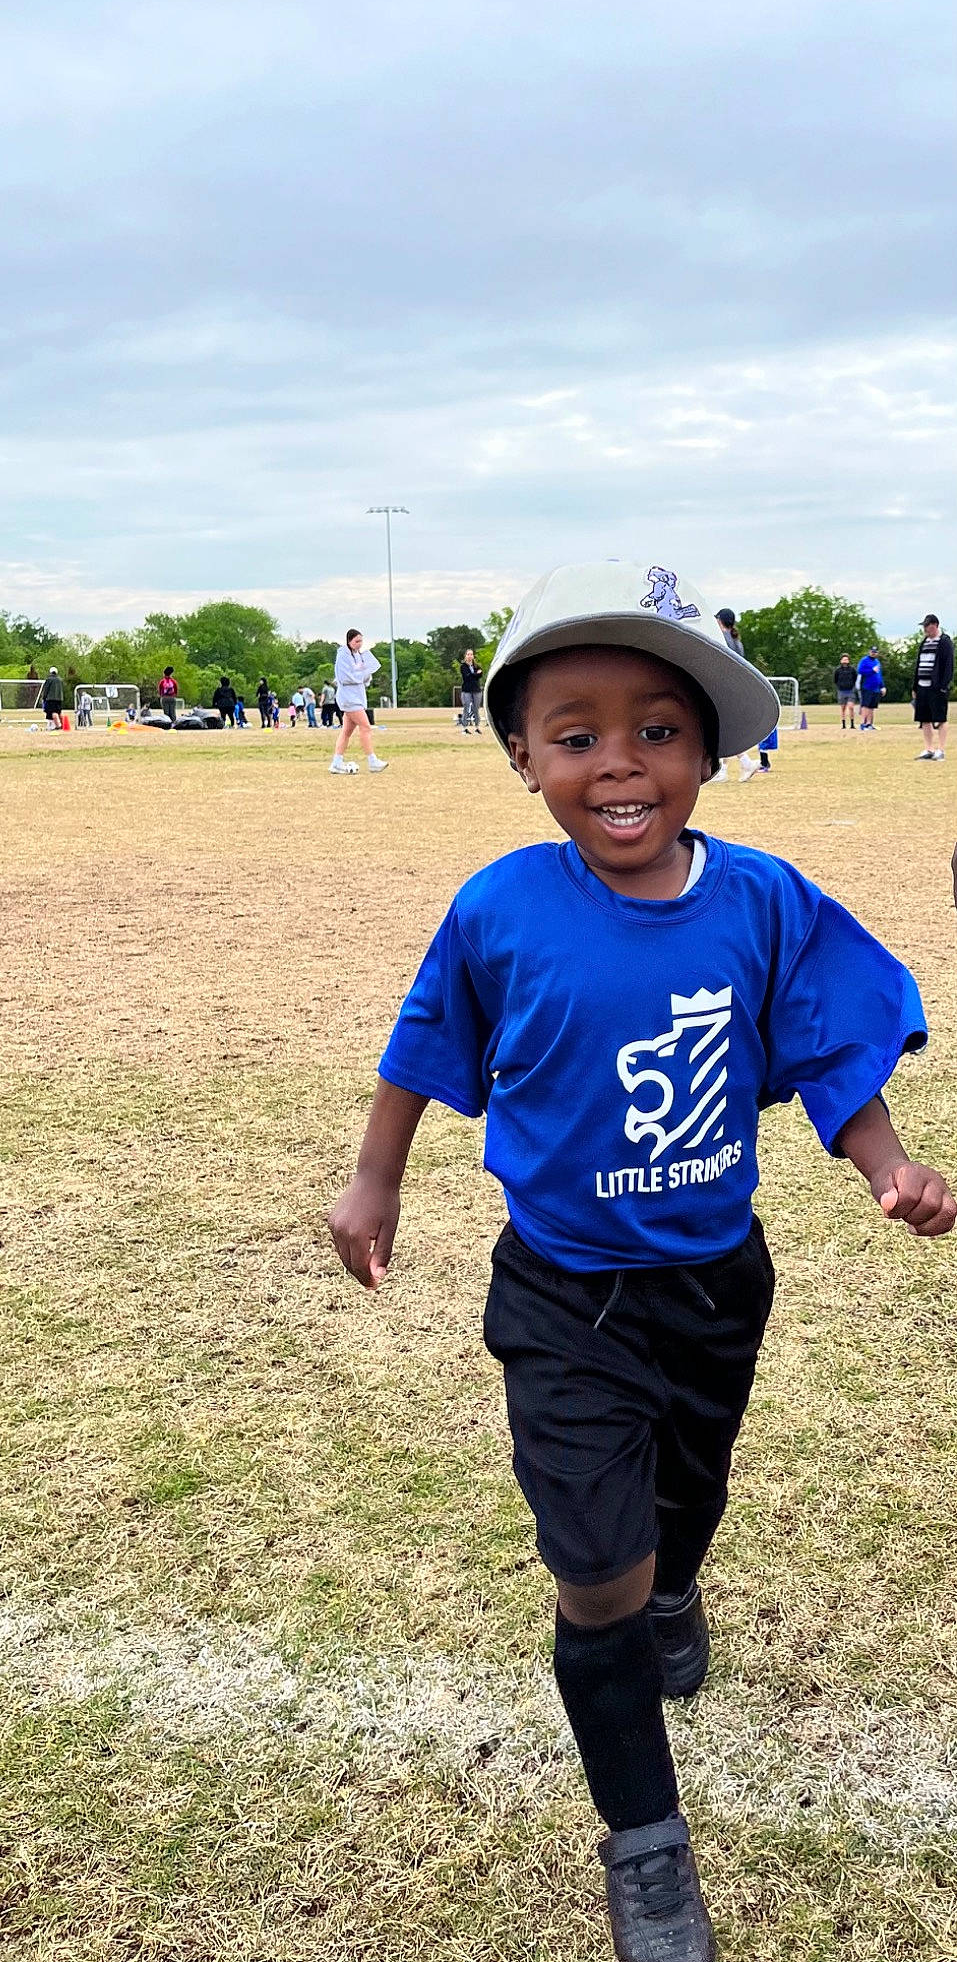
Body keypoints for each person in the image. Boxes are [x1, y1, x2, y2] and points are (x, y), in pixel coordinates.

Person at [328, 561, 955, 1962]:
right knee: (596, 1564)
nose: (619, 762)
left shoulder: (762, 901)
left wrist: (887, 1164)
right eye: (576, 732)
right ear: (522, 756)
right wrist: (375, 1177)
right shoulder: (498, 909)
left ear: (708, 751)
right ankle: (646, 1842)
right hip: (560, 1293)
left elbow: (824, 1050)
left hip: (715, 1280)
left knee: (690, 1497)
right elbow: (422, 1048)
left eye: (657, 729)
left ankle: (678, 1589)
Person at [330, 629, 388, 775]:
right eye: (356, 641)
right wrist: (362, 674)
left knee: (346, 732)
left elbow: (364, 677)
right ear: (349, 641)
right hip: (349, 698)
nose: (359, 644)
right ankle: (372, 760)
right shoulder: (343, 655)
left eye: (361, 641)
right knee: (365, 727)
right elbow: (345, 677)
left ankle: (336, 762)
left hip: (358, 697)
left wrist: (366, 673)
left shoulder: (359, 656)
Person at [711, 610, 758, 780]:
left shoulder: (720, 636)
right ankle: (739, 764)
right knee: (724, 728)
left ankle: (726, 769)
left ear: (720, 620)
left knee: (720, 728)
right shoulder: (737, 640)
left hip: (722, 687)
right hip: (734, 687)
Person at [912, 612, 953, 762]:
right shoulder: (924, 642)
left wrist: (943, 686)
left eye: (926, 626)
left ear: (935, 625)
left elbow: (948, 666)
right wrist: (915, 686)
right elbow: (918, 665)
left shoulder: (944, 642)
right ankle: (929, 749)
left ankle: (940, 750)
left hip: (937, 688)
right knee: (925, 719)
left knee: (940, 718)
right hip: (922, 687)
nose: (924, 630)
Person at [856, 646, 885, 730]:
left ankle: (869, 724)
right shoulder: (864, 660)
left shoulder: (877, 661)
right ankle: (863, 724)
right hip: (867, 686)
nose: (874, 653)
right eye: (872, 651)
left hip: (876, 688)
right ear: (869, 652)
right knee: (865, 705)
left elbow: (879, 675)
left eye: (875, 652)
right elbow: (860, 671)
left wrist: (882, 686)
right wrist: (872, 670)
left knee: (872, 706)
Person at [460, 649, 484, 733]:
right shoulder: (463, 666)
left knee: (476, 709)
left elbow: (480, 674)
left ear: (473, 656)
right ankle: (464, 727)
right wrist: (476, 674)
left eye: (471, 654)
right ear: (465, 656)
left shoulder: (477, 666)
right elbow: (467, 677)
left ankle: (477, 727)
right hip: (467, 690)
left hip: (476, 690)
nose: (470, 656)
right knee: (466, 707)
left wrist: (474, 674)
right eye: (468, 654)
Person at [834, 654, 857, 729]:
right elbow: (835, 680)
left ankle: (852, 724)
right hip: (841, 691)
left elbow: (855, 678)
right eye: (844, 659)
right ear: (841, 661)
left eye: (846, 659)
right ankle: (843, 724)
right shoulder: (838, 670)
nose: (845, 661)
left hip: (850, 690)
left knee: (851, 707)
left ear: (848, 661)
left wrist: (853, 687)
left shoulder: (852, 670)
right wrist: (839, 686)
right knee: (843, 708)